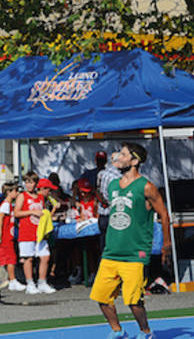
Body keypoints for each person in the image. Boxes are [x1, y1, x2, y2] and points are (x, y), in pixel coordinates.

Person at [90, 143, 172, 339]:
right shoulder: (112, 185)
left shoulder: (146, 187)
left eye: (123, 154)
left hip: (135, 253)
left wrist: (166, 245)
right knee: (102, 297)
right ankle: (118, 331)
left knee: (134, 301)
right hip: (111, 251)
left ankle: (146, 332)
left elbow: (164, 215)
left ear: (134, 161)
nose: (118, 156)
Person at [14, 173, 56, 294]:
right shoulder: (22, 196)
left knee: (45, 256)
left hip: (39, 232)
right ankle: (30, 283)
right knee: (28, 258)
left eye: (31, 182)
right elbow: (16, 213)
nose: (29, 185)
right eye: (27, 182)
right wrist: (31, 212)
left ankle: (42, 282)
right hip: (26, 232)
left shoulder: (40, 197)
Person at [0, 183, 26, 292]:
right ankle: (12, 281)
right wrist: (0, 235)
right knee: (11, 259)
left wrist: (16, 225)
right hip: (5, 235)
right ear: (9, 192)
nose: (17, 193)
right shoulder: (6, 204)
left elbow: (8, 219)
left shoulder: (9, 205)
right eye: (15, 191)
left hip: (7, 234)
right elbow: (0, 219)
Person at [96, 152, 121, 253]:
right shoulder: (118, 177)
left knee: (104, 247)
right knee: (115, 248)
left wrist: (103, 201)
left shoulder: (101, 174)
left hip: (102, 214)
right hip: (113, 214)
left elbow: (97, 191)